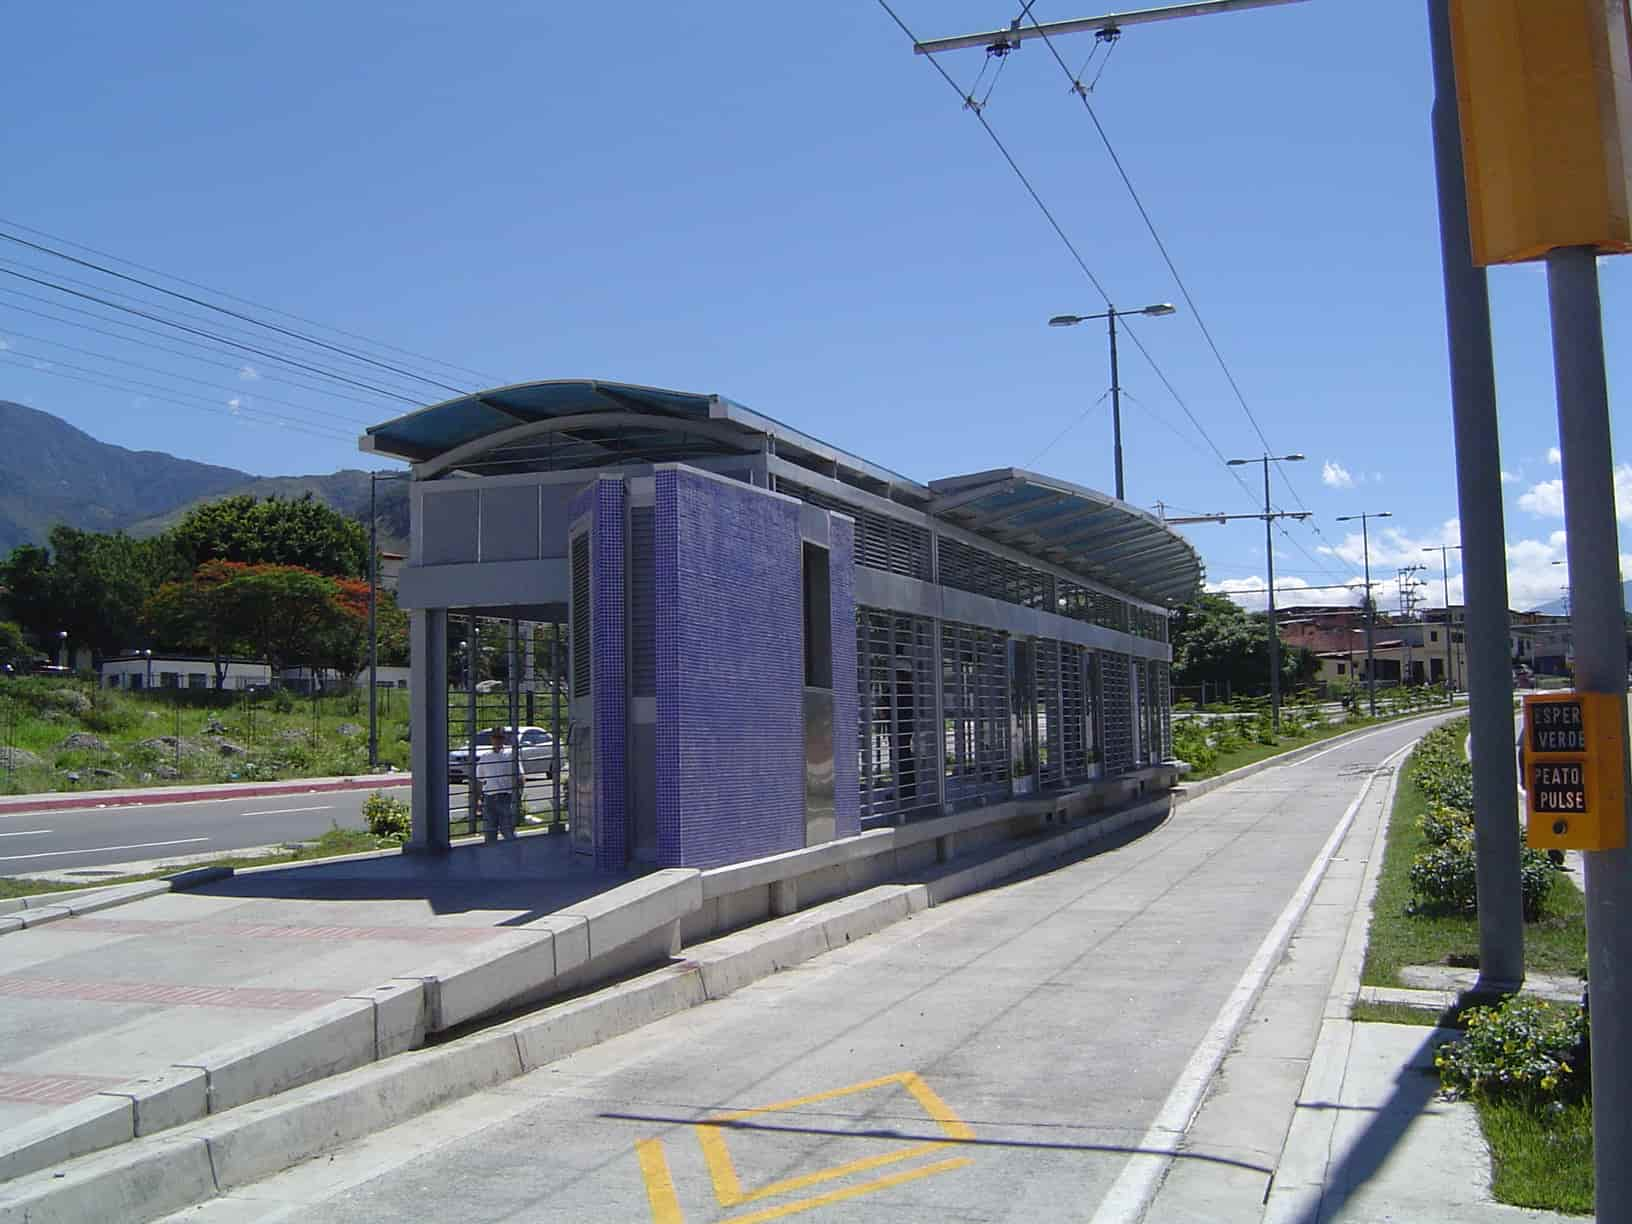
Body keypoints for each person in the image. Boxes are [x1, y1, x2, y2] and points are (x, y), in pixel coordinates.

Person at [477, 727, 519, 842]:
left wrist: (517, 796)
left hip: (505, 797)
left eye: (500, 737)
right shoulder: (485, 757)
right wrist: (478, 799)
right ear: (491, 739)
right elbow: (480, 779)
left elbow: (520, 777)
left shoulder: (510, 754)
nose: (497, 740)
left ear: (504, 738)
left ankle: (514, 855)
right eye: (495, 737)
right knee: (490, 833)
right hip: (489, 798)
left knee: (508, 832)